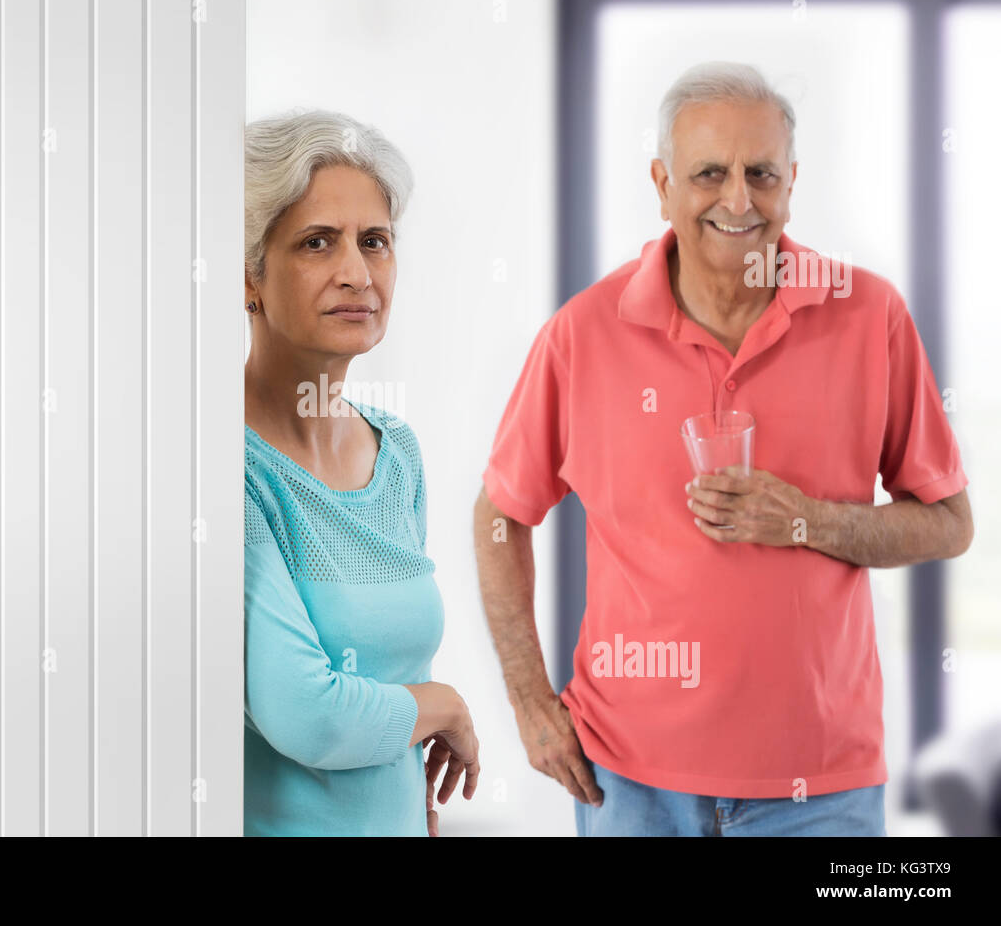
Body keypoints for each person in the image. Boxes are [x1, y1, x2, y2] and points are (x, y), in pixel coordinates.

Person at [474, 61, 972, 836]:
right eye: (709, 173)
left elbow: (948, 521)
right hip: (629, 784)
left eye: (761, 174)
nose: (738, 200)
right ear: (662, 184)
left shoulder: (869, 315)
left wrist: (808, 519)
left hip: (822, 787)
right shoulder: (583, 334)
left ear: (792, 181)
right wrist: (530, 701)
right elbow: (501, 517)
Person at [243, 109, 479, 836]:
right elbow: (306, 715)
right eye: (318, 243)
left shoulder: (396, 452)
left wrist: (414, 804)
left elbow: (389, 674)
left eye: (374, 241)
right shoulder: (227, 471)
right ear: (248, 274)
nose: (357, 272)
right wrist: (444, 707)